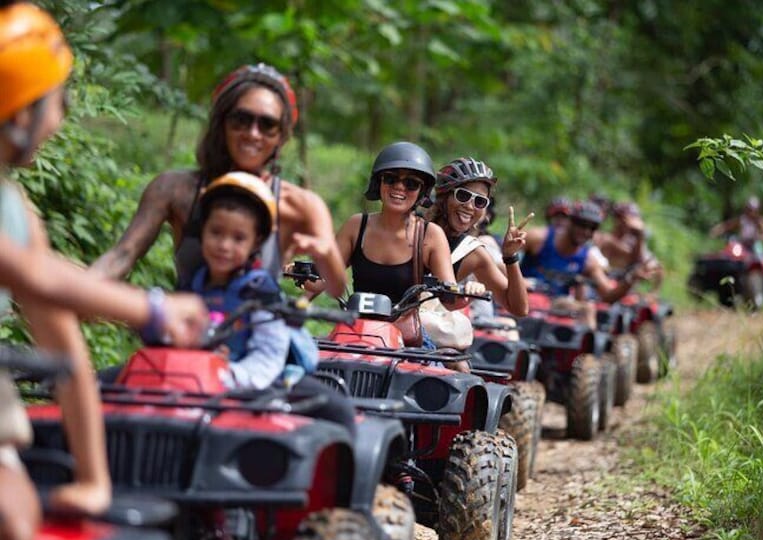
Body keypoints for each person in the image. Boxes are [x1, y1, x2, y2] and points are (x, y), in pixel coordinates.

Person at [0, 2, 207, 540]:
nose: (61, 119)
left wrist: (94, 478)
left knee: (15, 524)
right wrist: (152, 309)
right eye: (58, 103)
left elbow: (58, 328)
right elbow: (33, 275)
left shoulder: (16, 208)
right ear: (22, 113)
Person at [91, 62, 346, 298]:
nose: (252, 134)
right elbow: (123, 254)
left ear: (281, 136)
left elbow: (336, 288)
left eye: (267, 124)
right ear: (221, 123)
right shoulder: (174, 189)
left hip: (257, 340)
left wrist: (325, 254)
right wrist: (84, 290)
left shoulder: (302, 205)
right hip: (184, 336)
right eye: (241, 120)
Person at [191, 172, 354, 434]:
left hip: (257, 378)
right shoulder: (195, 284)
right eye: (216, 233)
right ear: (202, 232)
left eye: (238, 238)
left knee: (339, 410)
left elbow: (268, 356)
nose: (224, 245)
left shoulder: (260, 291)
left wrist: (227, 375)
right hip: (194, 377)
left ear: (256, 242)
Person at [305, 141, 476, 347]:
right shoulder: (356, 226)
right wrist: (298, 285)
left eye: (411, 183)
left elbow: (450, 299)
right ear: (379, 183)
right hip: (352, 332)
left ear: (422, 192)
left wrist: (468, 293)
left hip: (407, 340)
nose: (399, 187)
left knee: (452, 371)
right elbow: (320, 280)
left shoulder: (430, 235)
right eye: (391, 179)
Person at [425, 157, 531, 318]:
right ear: (444, 197)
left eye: (480, 201)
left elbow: (519, 309)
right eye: (463, 196)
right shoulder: (414, 229)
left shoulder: (471, 253)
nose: (469, 206)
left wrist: (510, 257)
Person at [521, 200, 646, 304]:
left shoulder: (588, 260)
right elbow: (503, 259)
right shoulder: (538, 238)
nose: (586, 231)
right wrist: (519, 281)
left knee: (587, 309)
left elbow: (608, 295)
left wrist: (630, 280)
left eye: (592, 228)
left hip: (556, 310)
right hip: (525, 299)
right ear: (569, 221)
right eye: (582, 224)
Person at [595, 201, 664, 289]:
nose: (628, 223)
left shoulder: (634, 244)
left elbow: (656, 268)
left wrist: (639, 236)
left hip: (619, 287)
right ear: (617, 219)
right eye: (624, 218)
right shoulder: (603, 237)